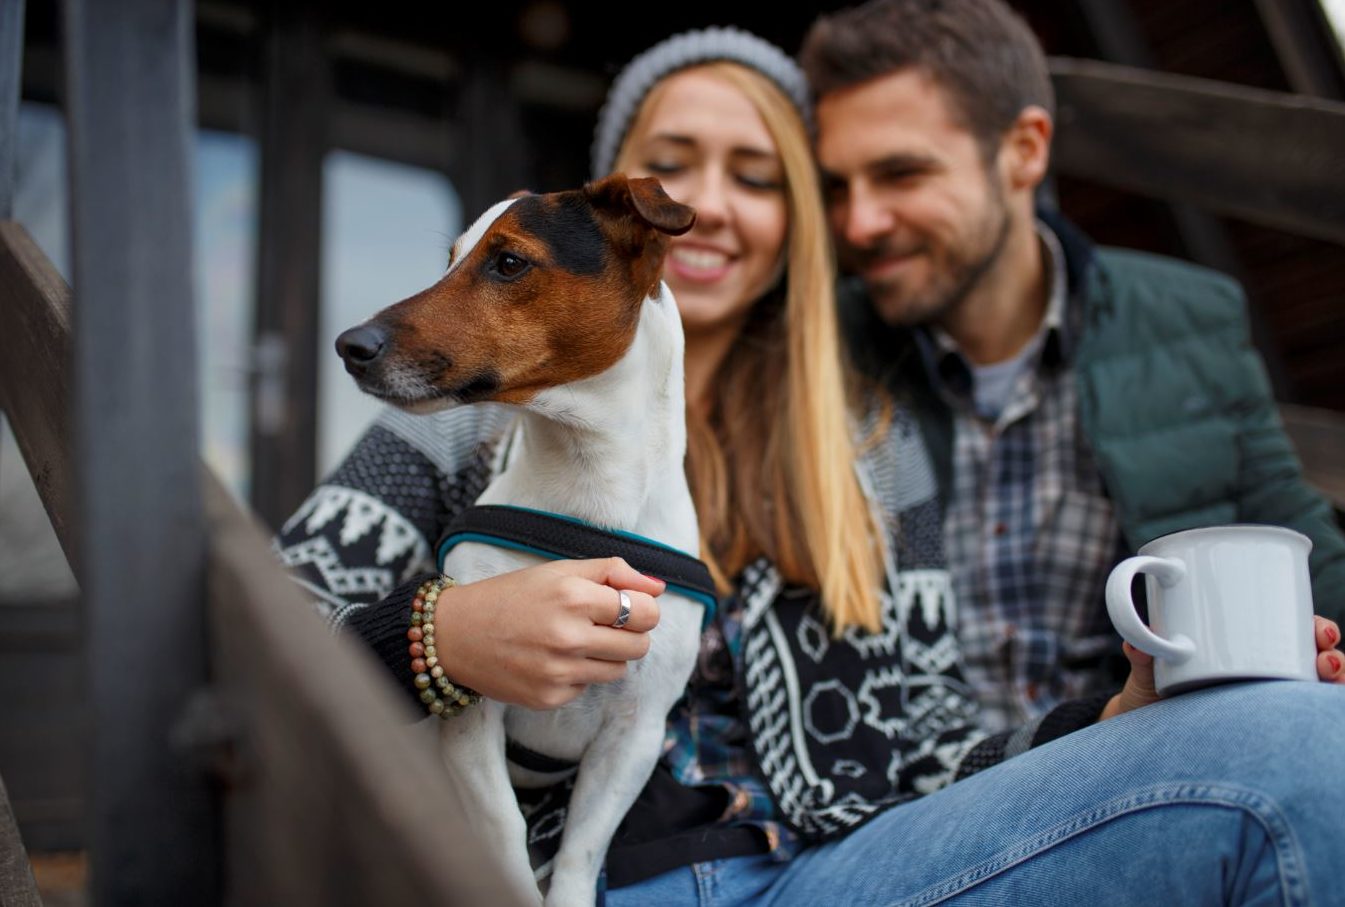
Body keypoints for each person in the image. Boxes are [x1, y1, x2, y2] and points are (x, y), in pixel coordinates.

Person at [275, 25, 1345, 906]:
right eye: (673, 159)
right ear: (617, 209)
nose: (710, 204)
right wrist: (439, 636)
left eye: (758, 175)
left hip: (838, 873)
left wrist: (1106, 723)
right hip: (564, 881)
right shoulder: (467, 412)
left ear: (794, 222)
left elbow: (925, 742)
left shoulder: (865, 448)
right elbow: (268, 641)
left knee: (1300, 743)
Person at [799, 0, 1345, 731]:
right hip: (914, 806)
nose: (858, 222)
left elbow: (1303, 556)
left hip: (1136, 764)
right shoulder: (818, 347)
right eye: (836, 186)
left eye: (901, 174)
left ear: (1024, 149)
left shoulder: (1185, 318)